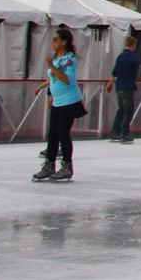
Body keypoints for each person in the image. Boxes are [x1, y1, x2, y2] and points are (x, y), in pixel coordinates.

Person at [33, 26, 85, 182]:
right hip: (58, 100)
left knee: (62, 132)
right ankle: (49, 165)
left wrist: (51, 66)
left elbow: (66, 79)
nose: (52, 42)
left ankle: (67, 166)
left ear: (64, 42)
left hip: (69, 101)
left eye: (55, 39)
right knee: (53, 133)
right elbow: (54, 78)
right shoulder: (56, 58)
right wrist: (45, 90)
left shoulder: (69, 59)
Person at [106, 34, 141, 143]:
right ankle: (124, 134)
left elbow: (114, 72)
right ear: (133, 45)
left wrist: (110, 83)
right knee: (128, 111)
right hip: (127, 86)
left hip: (119, 86)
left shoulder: (120, 56)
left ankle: (115, 133)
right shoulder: (130, 55)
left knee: (120, 110)